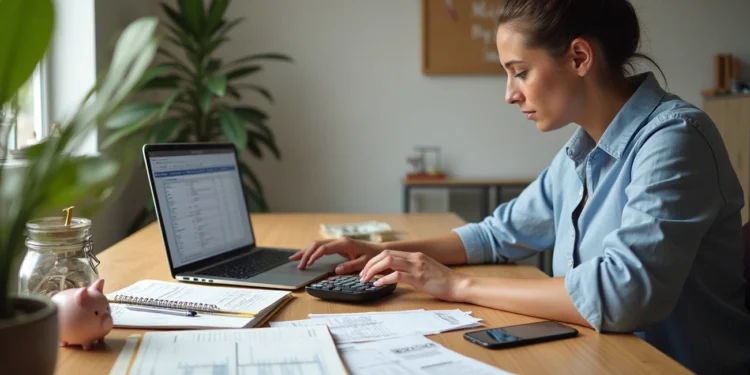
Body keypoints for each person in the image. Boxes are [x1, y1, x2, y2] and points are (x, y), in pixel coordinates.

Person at [290, 0, 750, 373]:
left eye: (520, 71)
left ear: (579, 57)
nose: (510, 93)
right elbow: (498, 234)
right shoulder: (581, 151)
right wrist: (379, 254)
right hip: (596, 357)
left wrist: (457, 285)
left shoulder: (674, 140)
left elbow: (621, 294)